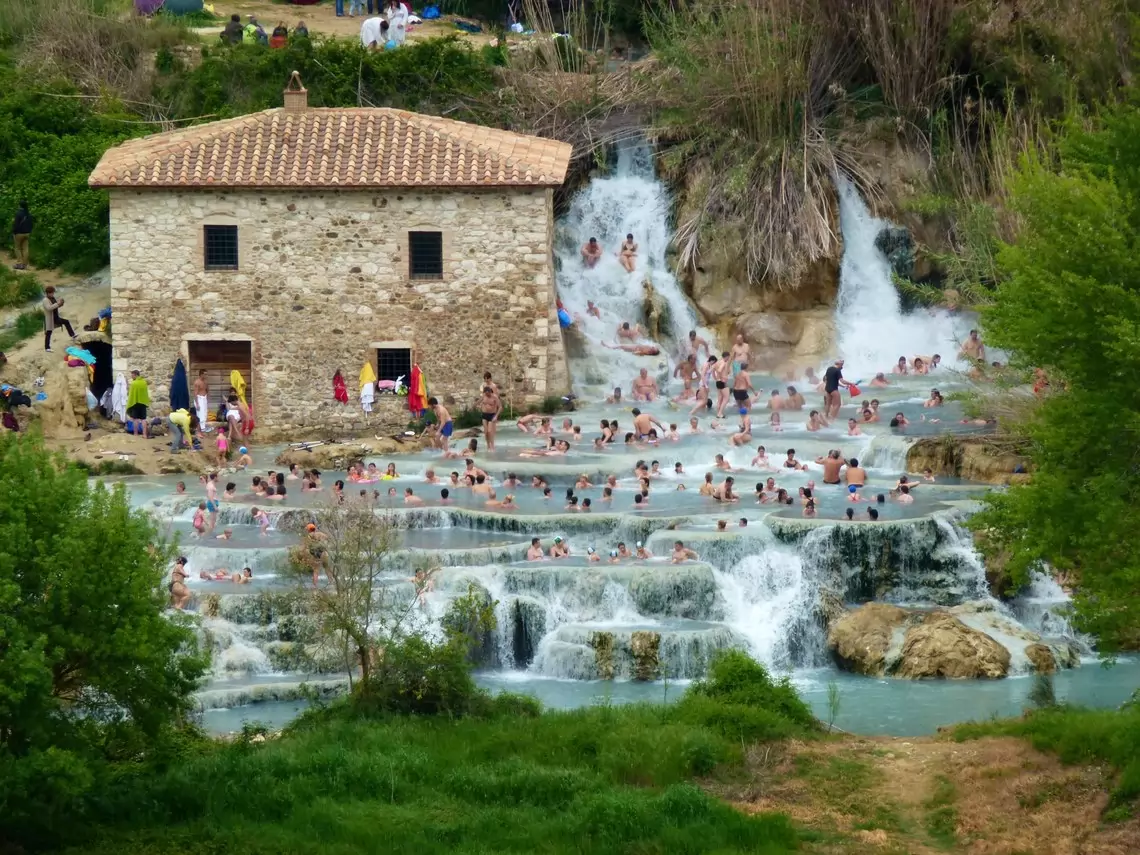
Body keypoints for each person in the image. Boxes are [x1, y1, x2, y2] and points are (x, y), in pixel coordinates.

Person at [41, 286, 76, 351]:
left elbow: (55, 306)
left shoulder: (52, 298)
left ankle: (73, 335)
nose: (53, 294)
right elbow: (49, 308)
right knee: (48, 332)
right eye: (52, 293)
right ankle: (47, 347)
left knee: (66, 322)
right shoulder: (45, 300)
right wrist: (58, 303)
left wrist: (60, 304)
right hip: (49, 319)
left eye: (53, 293)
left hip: (55, 317)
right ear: (48, 293)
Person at [126, 370, 150, 438]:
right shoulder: (144, 383)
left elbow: (131, 395)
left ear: (136, 375)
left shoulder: (134, 383)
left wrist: (129, 404)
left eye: (132, 375)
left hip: (135, 402)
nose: (132, 377)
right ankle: (144, 434)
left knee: (135, 419)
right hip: (143, 403)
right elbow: (146, 394)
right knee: (143, 419)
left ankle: (135, 434)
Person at [11, 200, 32, 269]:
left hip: (19, 233)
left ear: (20, 206)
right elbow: (31, 224)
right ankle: (25, 264)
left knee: (17, 248)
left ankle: (19, 264)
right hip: (27, 233)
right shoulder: (28, 213)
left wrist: (14, 232)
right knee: (25, 249)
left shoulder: (18, 213)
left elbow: (16, 224)